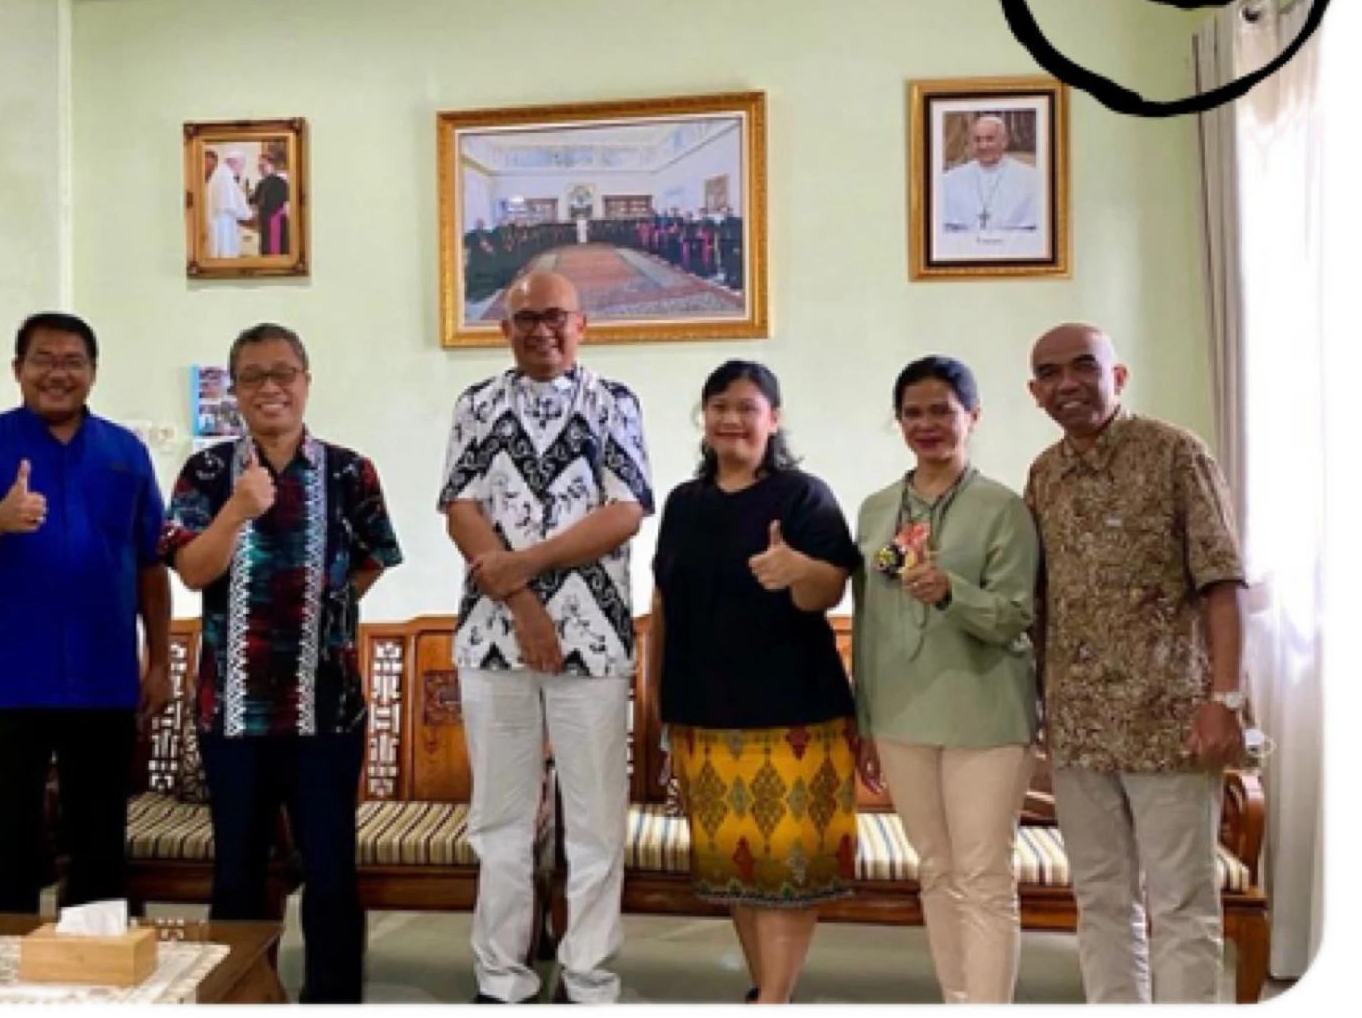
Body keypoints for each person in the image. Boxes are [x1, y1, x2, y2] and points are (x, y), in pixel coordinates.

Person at [160, 323, 403, 1003]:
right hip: (232, 712)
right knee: (238, 869)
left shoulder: (350, 470)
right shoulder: (208, 473)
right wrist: (236, 512)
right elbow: (191, 570)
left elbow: (375, 557)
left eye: (283, 373)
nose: (270, 387)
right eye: (253, 376)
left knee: (330, 870)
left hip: (326, 707)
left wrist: (321, 611)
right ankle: (240, 996)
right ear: (234, 391)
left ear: (305, 381)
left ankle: (332, 1000)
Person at [438, 270, 653, 1005]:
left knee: (594, 825)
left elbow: (626, 511)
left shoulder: (615, 402)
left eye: (554, 316)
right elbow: (460, 507)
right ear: (504, 328)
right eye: (525, 318)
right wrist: (525, 605)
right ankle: (502, 978)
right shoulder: (475, 404)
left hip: (592, 644)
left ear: (581, 323)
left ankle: (589, 980)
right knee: (499, 822)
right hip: (492, 640)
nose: (541, 330)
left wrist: (525, 564)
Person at [0, 313, 173, 914]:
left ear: (93, 372)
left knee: (98, 850)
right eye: (44, 360)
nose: (58, 374)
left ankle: (96, 966)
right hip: (4, 682)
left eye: (72, 361)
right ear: (18, 369)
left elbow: (150, 563)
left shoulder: (125, 453)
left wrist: (159, 659)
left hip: (101, 678)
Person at [1023, 324, 1247, 1004]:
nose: (1067, 383)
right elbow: (1037, 601)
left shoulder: (1175, 452)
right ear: (1034, 392)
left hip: (1170, 723)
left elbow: (1222, 582)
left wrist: (1225, 700)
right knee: (1100, 899)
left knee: (1180, 901)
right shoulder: (1043, 474)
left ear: (1116, 376)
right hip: (1078, 729)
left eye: (1083, 367)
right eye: (1049, 373)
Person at [645, 359, 861, 1006]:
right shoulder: (684, 502)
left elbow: (830, 588)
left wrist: (798, 569)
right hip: (702, 715)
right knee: (736, 868)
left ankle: (771, 1001)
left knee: (788, 872)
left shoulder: (803, 496)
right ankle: (768, 992)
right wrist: (657, 701)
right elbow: (663, 602)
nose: (731, 419)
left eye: (746, 406)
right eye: (719, 406)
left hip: (793, 714)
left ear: (774, 417)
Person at [850, 356, 1042, 1004]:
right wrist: (865, 720)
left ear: (973, 416)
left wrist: (949, 591)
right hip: (900, 715)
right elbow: (870, 617)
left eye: (941, 410)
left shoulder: (1002, 508)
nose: (926, 424)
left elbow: (1014, 615)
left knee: (983, 876)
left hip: (984, 714)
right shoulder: (877, 509)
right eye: (913, 413)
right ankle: (957, 999)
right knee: (934, 870)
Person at [936, 116, 1043, 243]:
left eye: (990, 139)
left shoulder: (1030, 178)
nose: (983, 146)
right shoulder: (950, 180)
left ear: (1004, 141)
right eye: (977, 140)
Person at [204, 148, 252, 260]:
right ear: (234, 162)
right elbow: (232, 204)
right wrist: (248, 214)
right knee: (224, 253)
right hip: (223, 223)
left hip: (220, 220)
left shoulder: (221, 173)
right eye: (241, 165)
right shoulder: (225, 176)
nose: (241, 169)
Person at [253, 145, 292, 256]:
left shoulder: (281, 181)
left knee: (275, 250)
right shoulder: (262, 183)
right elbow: (256, 201)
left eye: (263, 166)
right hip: (266, 222)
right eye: (259, 166)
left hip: (276, 221)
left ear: (272, 165)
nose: (261, 169)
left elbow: (281, 204)